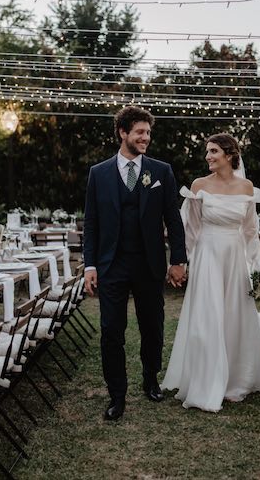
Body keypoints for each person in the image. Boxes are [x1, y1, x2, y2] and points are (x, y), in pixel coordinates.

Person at [83, 106, 187, 421]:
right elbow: (91, 223)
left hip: (149, 263)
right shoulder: (98, 173)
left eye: (148, 133)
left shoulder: (161, 171)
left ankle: (150, 378)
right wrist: (90, 265)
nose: (146, 138)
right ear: (123, 133)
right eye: (140, 132)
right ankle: (117, 394)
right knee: (111, 330)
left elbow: (174, 218)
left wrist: (178, 259)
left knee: (152, 326)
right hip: (111, 264)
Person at [161, 133, 260, 412]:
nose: (208, 156)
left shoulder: (247, 187)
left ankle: (235, 379)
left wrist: (256, 263)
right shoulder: (199, 186)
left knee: (234, 314)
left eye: (213, 151)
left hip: (234, 256)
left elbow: (250, 229)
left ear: (229, 154)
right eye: (207, 152)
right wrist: (181, 262)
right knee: (208, 315)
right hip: (208, 255)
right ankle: (206, 377)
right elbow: (190, 228)